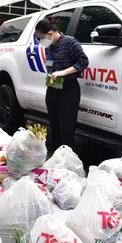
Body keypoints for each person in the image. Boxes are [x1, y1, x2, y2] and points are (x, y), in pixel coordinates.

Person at [35, 18, 89, 151]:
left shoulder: (70, 42)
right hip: (53, 89)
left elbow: (83, 62)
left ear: (50, 33)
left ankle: (66, 160)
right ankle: (54, 158)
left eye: (41, 38)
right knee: (54, 127)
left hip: (68, 89)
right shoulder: (49, 47)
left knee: (67, 128)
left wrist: (63, 72)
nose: (41, 41)